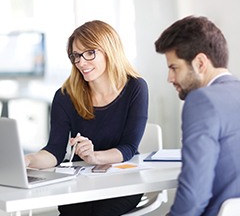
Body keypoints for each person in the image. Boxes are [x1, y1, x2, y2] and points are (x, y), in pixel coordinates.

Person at [25, 20, 148, 216]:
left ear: (109, 50)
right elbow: (55, 151)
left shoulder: (135, 87)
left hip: (121, 182)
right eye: (76, 56)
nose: (81, 62)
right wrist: (28, 159)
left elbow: (129, 147)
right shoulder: (65, 96)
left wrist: (94, 156)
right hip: (80, 185)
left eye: (89, 53)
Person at [154, 15, 240, 216]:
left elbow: (194, 198)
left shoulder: (202, 101)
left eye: (174, 67)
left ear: (200, 63)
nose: (170, 78)